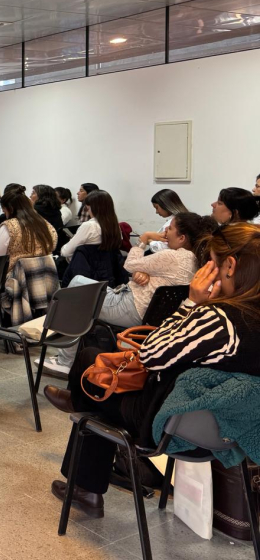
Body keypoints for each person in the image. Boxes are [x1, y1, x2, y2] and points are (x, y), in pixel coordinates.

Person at [44, 223, 260, 520]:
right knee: (97, 379)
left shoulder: (218, 318)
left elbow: (150, 355)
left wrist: (192, 303)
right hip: (228, 430)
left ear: (231, 266)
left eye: (211, 263)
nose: (206, 270)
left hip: (164, 423)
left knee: (91, 366)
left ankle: (83, 472)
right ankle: (80, 409)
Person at [47, 212, 212, 376]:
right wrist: (143, 272)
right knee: (80, 285)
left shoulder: (172, 256)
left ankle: (65, 360)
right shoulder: (193, 260)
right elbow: (150, 271)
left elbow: (129, 264)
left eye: (170, 228)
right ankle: (68, 357)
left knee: (76, 289)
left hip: (128, 308)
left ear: (182, 238)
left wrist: (144, 239)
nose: (165, 231)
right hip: (145, 312)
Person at [0, 192, 57, 271]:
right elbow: (53, 245)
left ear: (10, 209)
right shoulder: (45, 223)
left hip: (17, 275)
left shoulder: (9, 226)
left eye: (4, 211)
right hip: (46, 272)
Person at [60, 190, 120, 261]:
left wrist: (71, 241)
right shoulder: (115, 226)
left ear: (92, 208)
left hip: (86, 265)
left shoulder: (89, 226)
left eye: (87, 208)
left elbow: (65, 252)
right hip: (109, 265)